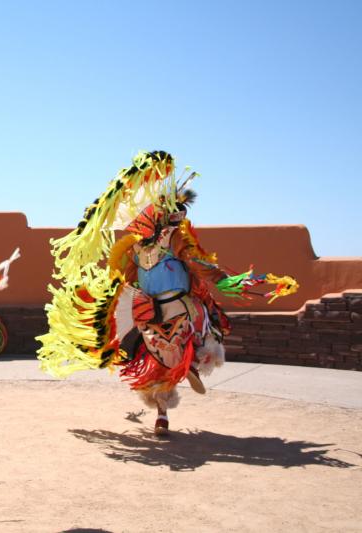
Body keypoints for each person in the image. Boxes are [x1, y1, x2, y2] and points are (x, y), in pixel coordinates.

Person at [37, 151, 297, 436]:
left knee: (203, 320)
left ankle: (197, 355)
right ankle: (161, 409)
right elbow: (127, 280)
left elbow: (196, 262)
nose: (174, 217)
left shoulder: (175, 239)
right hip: (149, 309)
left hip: (182, 302)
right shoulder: (132, 249)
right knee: (147, 352)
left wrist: (222, 280)